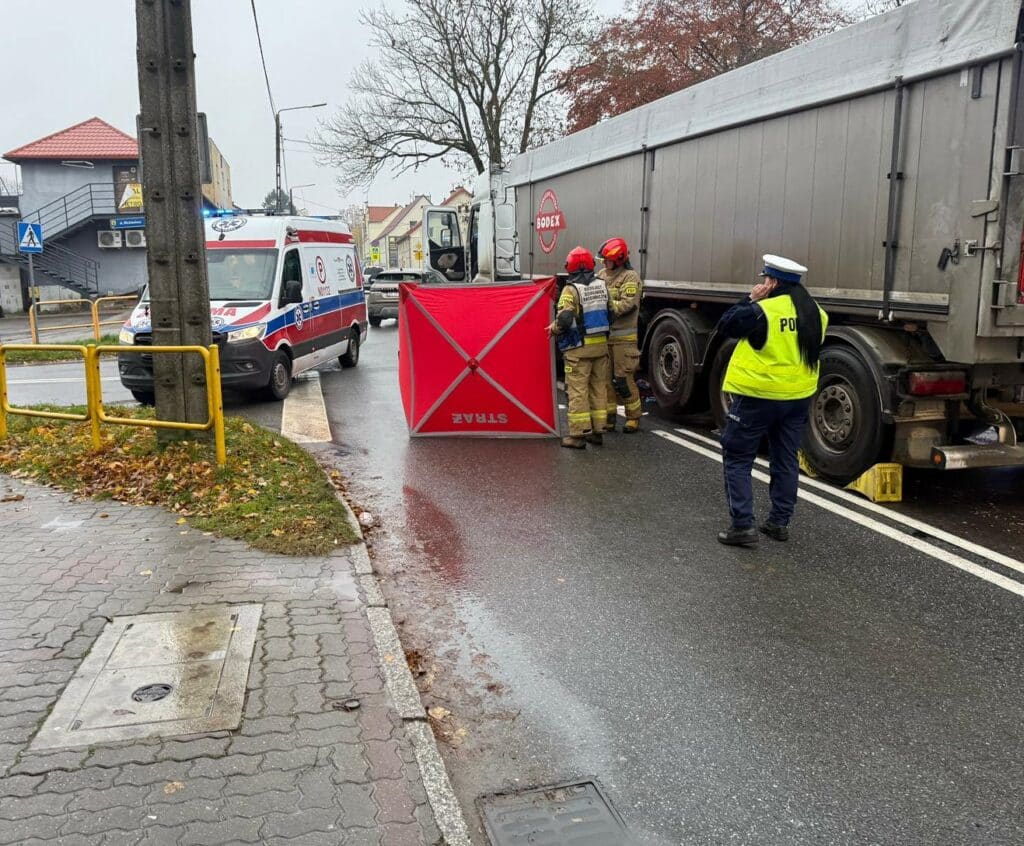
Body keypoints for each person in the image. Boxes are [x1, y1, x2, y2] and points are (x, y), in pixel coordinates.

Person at [716, 254, 828, 547]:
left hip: (758, 396)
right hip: (798, 397)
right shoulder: (816, 312)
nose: (762, 284)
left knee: (738, 457)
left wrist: (749, 299)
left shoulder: (762, 311)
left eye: (765, 279)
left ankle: (742, 525)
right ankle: (779, 522)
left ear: (773, 282)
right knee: (785, 458)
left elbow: (726, 326)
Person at [547, 246, 611, 449]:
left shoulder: (571, 289)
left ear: (570, 267)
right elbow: (613, 312)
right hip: (601, 347)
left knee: (577, 391)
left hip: (578, 349)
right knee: (598, 388)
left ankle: (578, 435)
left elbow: (565, 318)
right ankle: (598, 431)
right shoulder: (602, 285)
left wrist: (553, 329)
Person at [597, 237, 644, 432]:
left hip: (624, 340)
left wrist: (603, 305)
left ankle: (633, 417)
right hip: (604, 337)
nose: (604, 264)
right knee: (604, 380)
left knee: (623, 379)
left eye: (607, 260)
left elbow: (627, 304)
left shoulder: (630, 277)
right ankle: (609, 418)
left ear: (619, 260)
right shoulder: (601, 275)